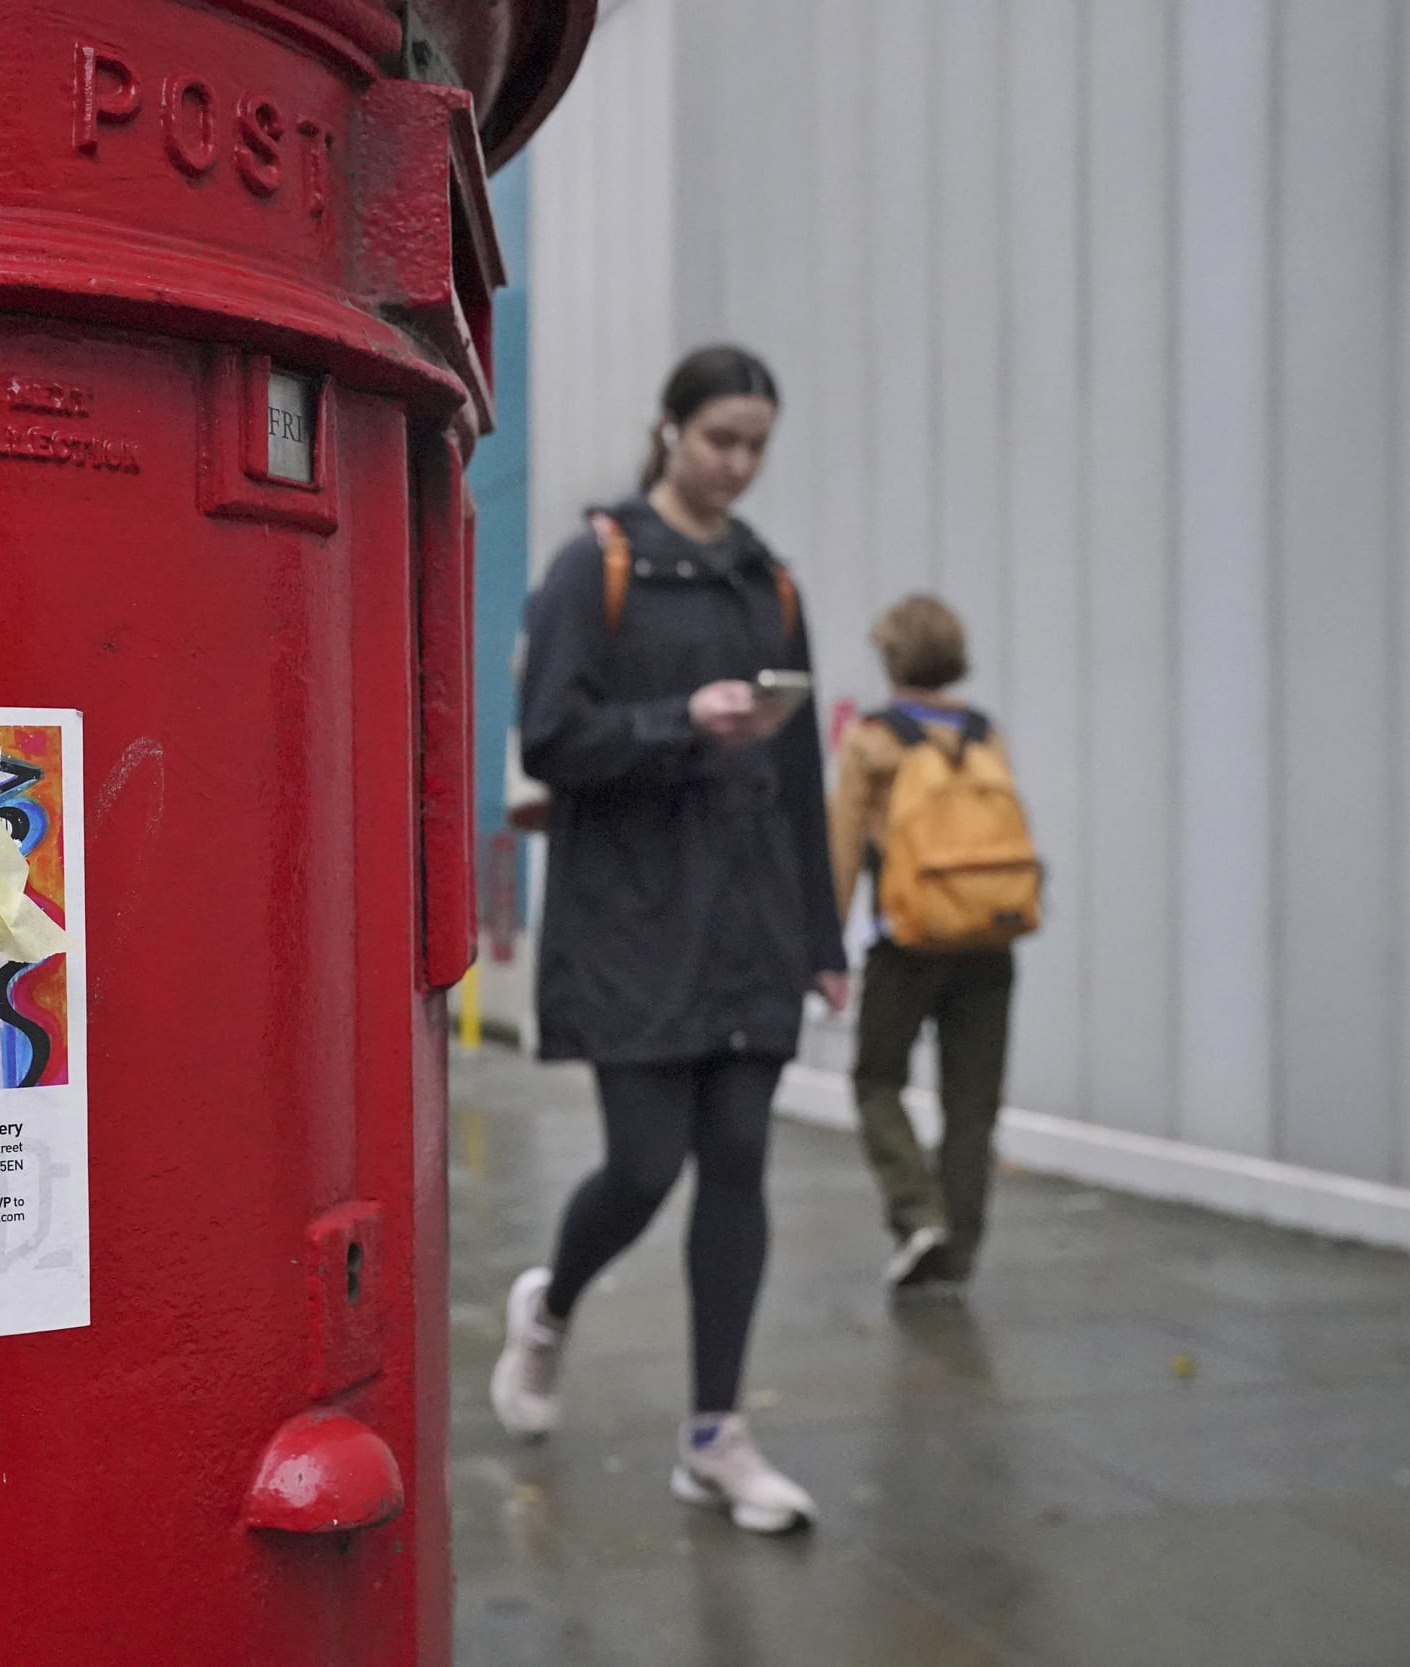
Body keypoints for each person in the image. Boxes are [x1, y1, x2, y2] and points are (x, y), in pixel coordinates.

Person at [490, 345, 846, 1535]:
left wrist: (823, 935)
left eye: (755, 446)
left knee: (737, 1158)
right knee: (644, 1167)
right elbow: (548, 738)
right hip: (633, 917)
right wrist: (678, 721)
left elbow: (800, 775)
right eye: (719, 440)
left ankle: (713, 1437)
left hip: (753, 917)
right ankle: (549, 1305)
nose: (737, 464)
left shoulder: (768, 583)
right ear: (670, 431)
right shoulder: (595, 565)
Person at [828, 596, 1017, 1292]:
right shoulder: (985, 733)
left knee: (876, 1080)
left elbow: (843, 850)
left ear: (891, 659)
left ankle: (918, 1215)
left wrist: (826, 947)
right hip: (990, 938)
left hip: (906, 941)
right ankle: (955, 1253)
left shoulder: (872, 739)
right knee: (973, 1105)